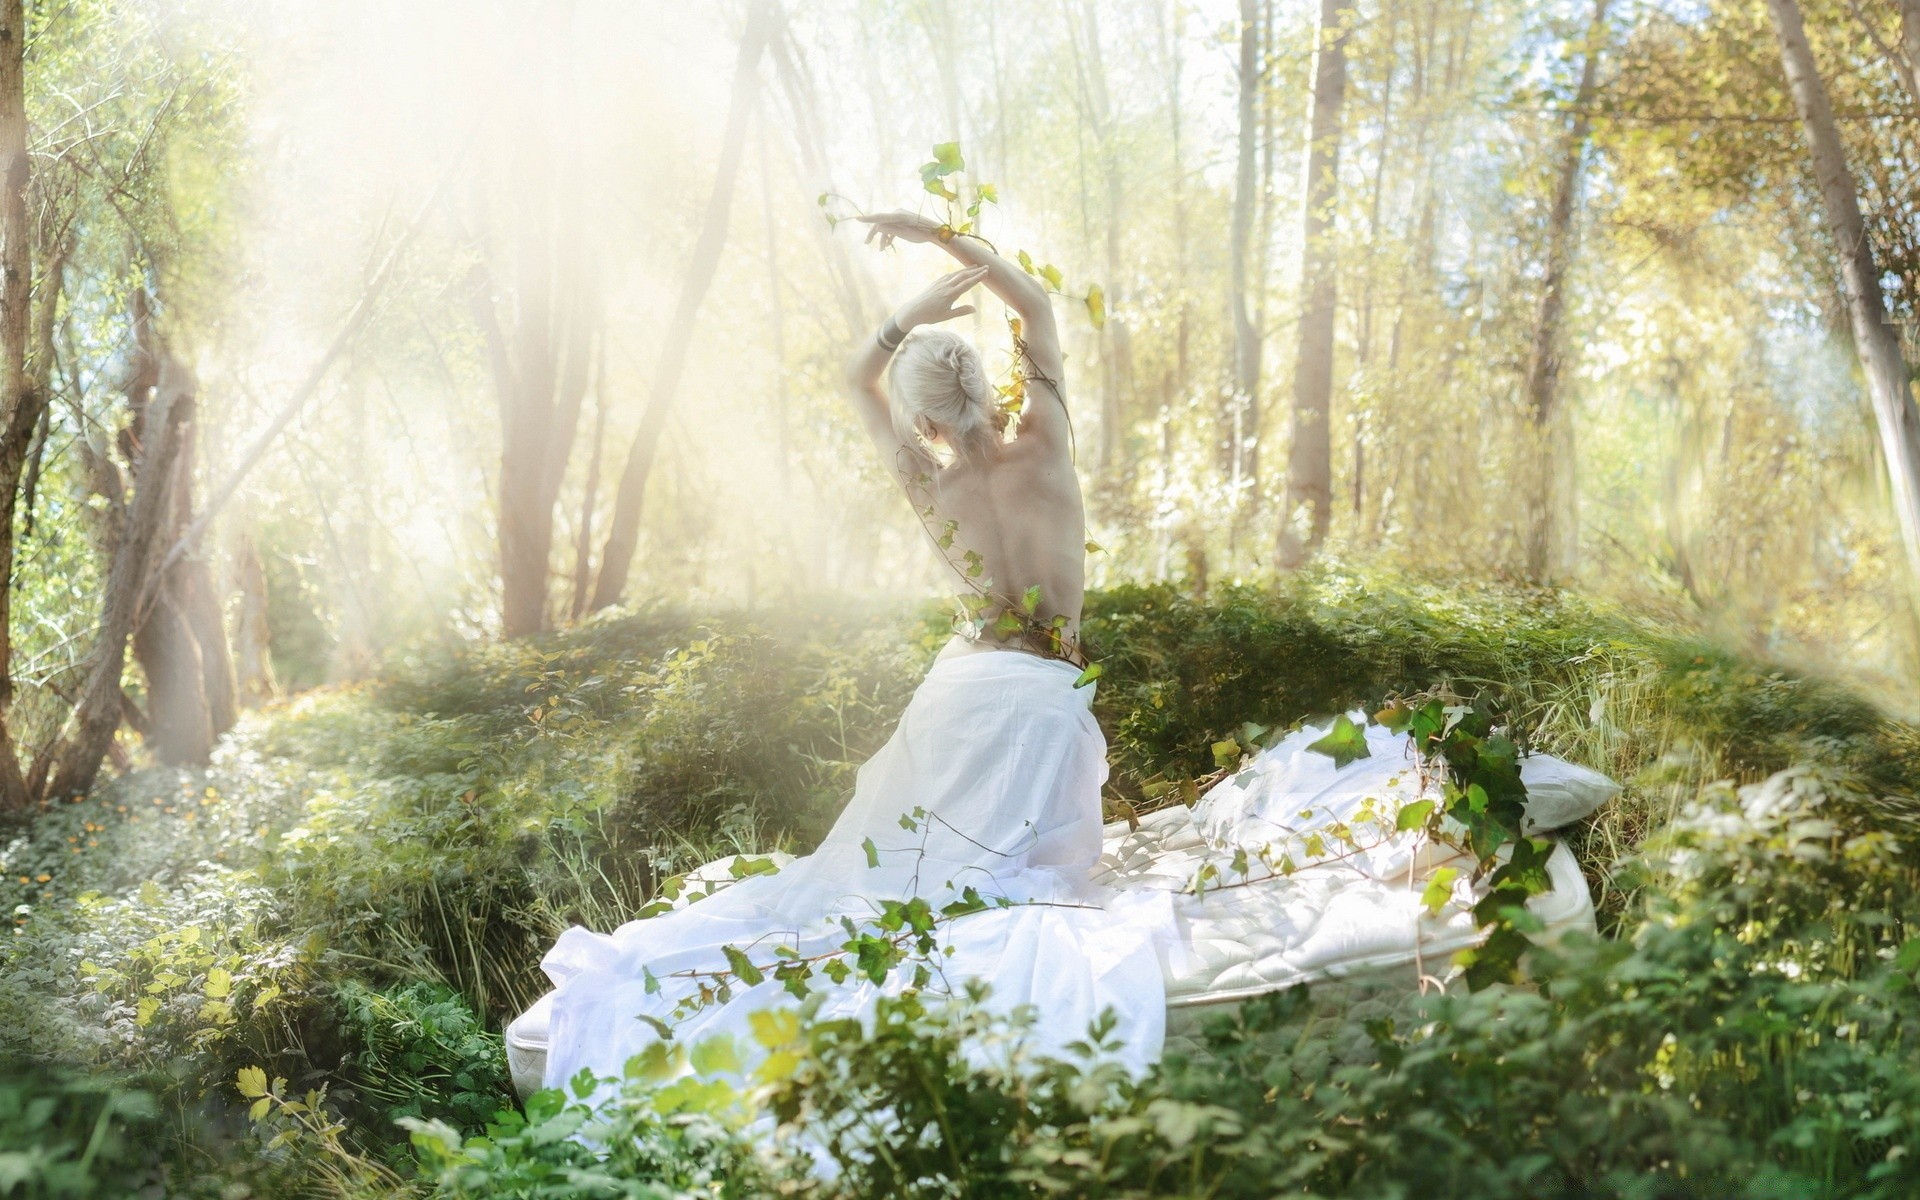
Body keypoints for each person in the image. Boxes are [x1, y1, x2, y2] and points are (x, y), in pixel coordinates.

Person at [529, 209, 1171, 1100]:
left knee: (905, 891)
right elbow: (1033, 301)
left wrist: (908, 313)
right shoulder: (1049, 443)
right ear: (985, 385)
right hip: (1043, 701)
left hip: (957, 699)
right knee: (1010, 891)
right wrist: (945, 240)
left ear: (920, 418)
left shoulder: (927, 478)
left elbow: (853, 376)